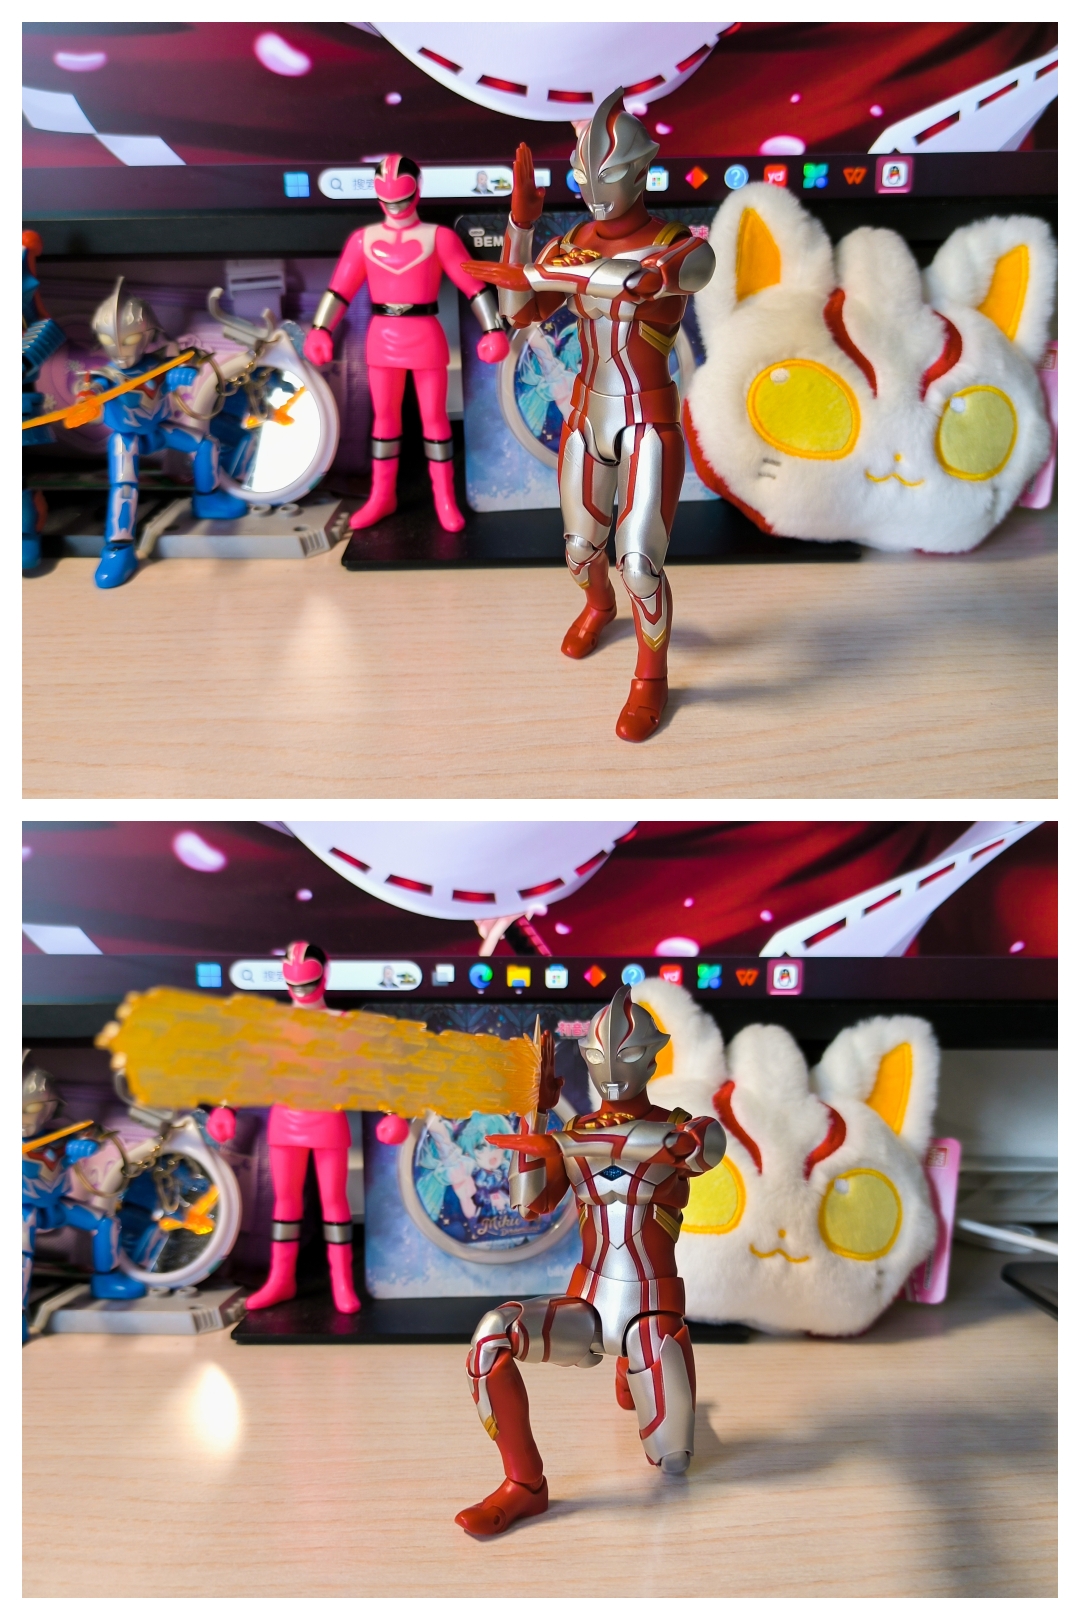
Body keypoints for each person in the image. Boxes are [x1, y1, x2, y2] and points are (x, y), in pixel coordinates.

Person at [461, 88, 715, 741]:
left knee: (641, 564)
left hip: (648, 422)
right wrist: (521, 227)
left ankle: (651, 676)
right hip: (585, 414)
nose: (597, 193)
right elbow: (522, 313)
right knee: (579, 553)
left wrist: (555, 272)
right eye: (585, 179)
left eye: (610, 175)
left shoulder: (677, 245)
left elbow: (643, 281)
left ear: (640, 170)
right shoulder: (571, 240)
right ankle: (600, 607)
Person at [455, 992, 726, 1535]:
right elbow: (529, 1203)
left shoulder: (680, 1127)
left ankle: (639, 1368)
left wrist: (569, 1142)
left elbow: (698, 1148)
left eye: (627, 1055)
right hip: (588, 1306)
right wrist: (534, 1115)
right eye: (598, 1057)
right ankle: (524, 1485)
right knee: (491, 1338)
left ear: (652, 1059)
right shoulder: (569, 1135)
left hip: (651, 1313)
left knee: (673, 1464)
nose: (611, 1070)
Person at [304, 154, 510, 533]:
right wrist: (320, 328)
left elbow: (474, 287)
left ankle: (444, 498)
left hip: (425, 335)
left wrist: (493, 329)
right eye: (388, 200)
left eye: (402, 198)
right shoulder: (364, 240)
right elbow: (339, 290)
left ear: (416, 192)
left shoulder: (439, 238)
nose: (396, 207)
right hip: (382, 338)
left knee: (435, 419)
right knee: (384, 419)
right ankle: (382, 495)